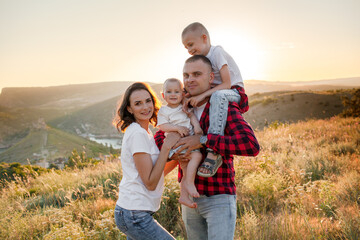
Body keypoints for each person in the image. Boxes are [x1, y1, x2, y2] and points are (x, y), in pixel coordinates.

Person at [154, 55, 259, 240]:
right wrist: (172, 144)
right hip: (189, 199)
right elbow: (159, 139)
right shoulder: (180, 106)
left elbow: (250, 145)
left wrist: (203, 140)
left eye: (196, 74)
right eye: (186, 75)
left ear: (211, 78)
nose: (190, 79)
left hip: (218, 197)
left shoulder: (222, 107)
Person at [181, 22, 248, 177]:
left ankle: (213, 152)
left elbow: (227, 84)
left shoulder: (216, 52)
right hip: (219, 93)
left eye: (191, 45)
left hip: (235, 92)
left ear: (204, 38)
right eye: (186, 48)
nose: (190, 50)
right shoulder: (204, 59)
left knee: (217, 96)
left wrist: (202, 95)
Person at [113, 82, 179, 240]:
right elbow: (150, 182)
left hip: (133, 212)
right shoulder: (138, 134)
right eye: (138, 103)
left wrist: (176, 159)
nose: (145, 107)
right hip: (134, 214)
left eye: (148, 101)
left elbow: (156, 172)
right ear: (129, 109)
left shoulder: (145, 132)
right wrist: (166, 149)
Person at [157, 78, 203, 208]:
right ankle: (189, 183)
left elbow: (192, 116)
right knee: (197, 156)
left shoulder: (184, 107)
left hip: (187, 142)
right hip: (177, 143)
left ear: (182, 94)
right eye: (169, 91)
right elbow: (162, 126)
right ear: (163, 95)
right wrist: (177, 128)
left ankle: (183, 196)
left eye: (176, 91)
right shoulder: (164, 111)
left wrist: (197, 127)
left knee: (186, 169)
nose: (173, 94)